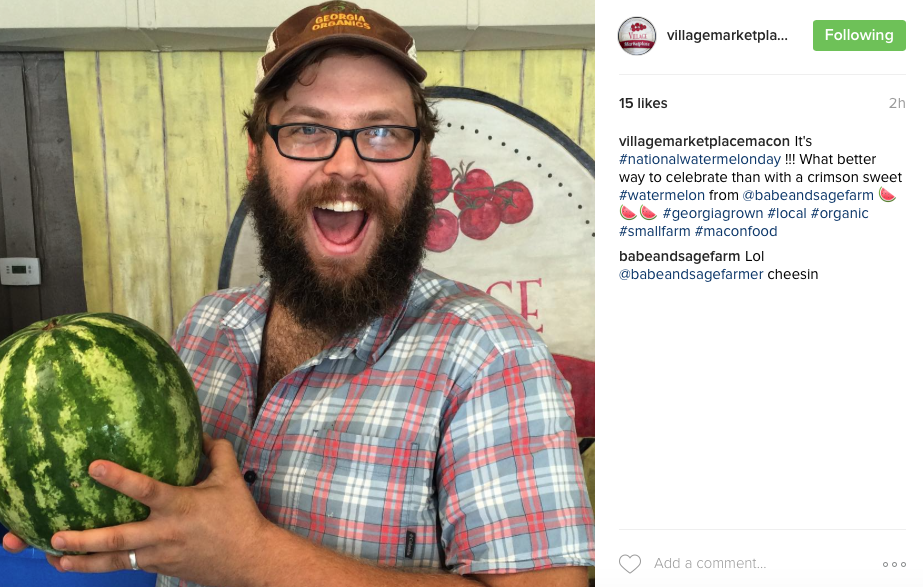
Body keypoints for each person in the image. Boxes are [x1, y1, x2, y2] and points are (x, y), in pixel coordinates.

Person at [2, 2, 595, 585]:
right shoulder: (205, 327)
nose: (346, 166)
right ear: (255, 158)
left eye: (383, 132)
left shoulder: (492, 355)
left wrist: (252, 557)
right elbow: (168, 518)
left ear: (422, 163)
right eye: (307, 129)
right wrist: (76, 502)